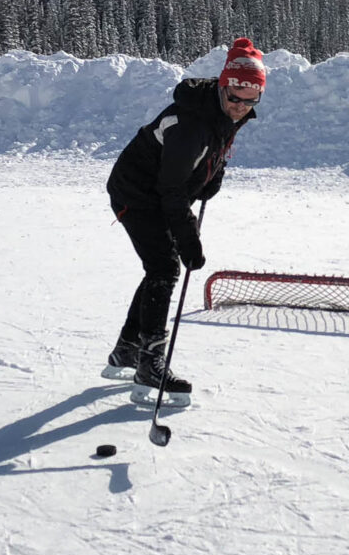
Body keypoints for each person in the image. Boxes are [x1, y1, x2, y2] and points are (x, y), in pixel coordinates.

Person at [104, 37, 266, 406]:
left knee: (158, 267)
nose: (241, 104)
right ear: (223, 84)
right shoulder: (193, 122)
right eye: (236, 93)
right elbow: (171, 189)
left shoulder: (221, 108)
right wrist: (190, 240)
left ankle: (128, 350)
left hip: (159, 189)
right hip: (137, 192)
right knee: (165, 267)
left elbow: (214, 149)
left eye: (252, 95)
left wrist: (211, 178)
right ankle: (150, 364)